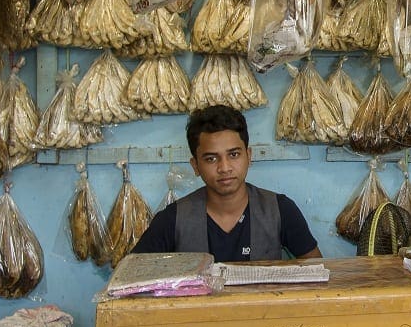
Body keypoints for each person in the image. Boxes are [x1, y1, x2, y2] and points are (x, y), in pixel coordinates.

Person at [132, 105, 321, 262]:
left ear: (249, 156)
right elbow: (131, 278)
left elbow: (318, 275)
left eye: (234, 155)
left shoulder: (280, 210)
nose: (224, 168)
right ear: (196, 166)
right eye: (211, 159)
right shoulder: (173, 220)